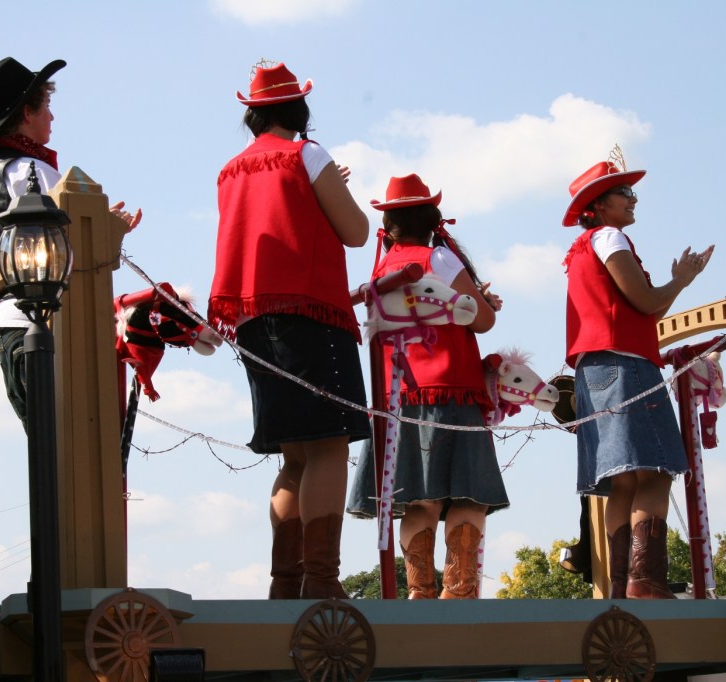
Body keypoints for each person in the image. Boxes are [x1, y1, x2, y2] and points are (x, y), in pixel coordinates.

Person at [207, 62, 371, 599]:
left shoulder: (230, 170)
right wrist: (331, 189)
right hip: (311, 314)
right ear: (298, 108)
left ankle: (286, 582)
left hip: (254, 320)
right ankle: (321, 581)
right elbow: (356, 231)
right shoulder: (308, 154)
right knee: (328, 446)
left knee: (294, 457)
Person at [347, 174, 509, 599]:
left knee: (419, 501)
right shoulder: (441, 259)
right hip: (452, 388)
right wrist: (483, 303)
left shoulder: (380, 269)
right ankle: (458, 594)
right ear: (435, 221)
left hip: (397, 395)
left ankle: (420, 593)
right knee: (469, 495)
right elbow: (482, 320)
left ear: (389, 227)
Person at [561, 150, 713, 599]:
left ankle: (620, 585)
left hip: (594, 371)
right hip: (625, 366)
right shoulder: (611, 237)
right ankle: (644, 581)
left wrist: (676, 283)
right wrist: (681, 280)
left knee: (623, 480)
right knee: (655, 472)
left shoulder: (582, 248)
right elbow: (647, 302)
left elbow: (647, 308)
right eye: (625, 192)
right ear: (599, 205)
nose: (634, 199)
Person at [0, 57, 142, 432]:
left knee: (45, 444)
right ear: (26, 113)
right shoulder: (32, 171)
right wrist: (109, 229)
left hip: (9, 323)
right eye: (45, 105)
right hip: (47, 323)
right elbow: (71, 244)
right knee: (75, 441)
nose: (52, 116)